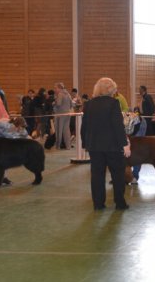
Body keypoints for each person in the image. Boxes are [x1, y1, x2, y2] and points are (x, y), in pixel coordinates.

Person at [81, 77, 131, 210]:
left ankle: (98, 204)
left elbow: (84, 126)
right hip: (113, 146)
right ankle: (119, 203)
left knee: (97, 175)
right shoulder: (113, 103)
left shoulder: (89, 104)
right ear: (111, 89)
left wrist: (85, 143)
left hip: (94, 146)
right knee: (117, 175)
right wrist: (125, 144)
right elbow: (117, 126)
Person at [53, 82, 73, 150]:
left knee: (59, 130)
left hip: (60, 114)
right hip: (67, 114)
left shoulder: (60, 94)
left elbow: (58, 104)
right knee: (66, 130)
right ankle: (68, 146)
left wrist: (54, 102)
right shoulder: (68, 94)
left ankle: (58, 146)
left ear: (59, 88)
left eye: (55, 88)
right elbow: (71, 105)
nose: (55, 89)